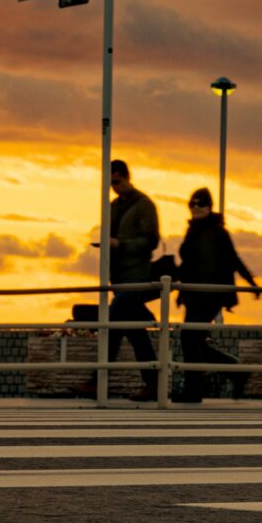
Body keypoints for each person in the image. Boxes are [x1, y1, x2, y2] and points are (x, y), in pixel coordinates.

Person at [172, 187, 257, 402]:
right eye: (192, 204)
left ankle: (195, 390)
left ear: (210, 207)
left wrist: (252, 283)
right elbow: (189, 265)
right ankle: (234, 372)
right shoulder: (193, 231)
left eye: (201, 204)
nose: (196, 208)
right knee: (193, 340)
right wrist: (180, 292)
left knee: (190, 338)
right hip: (194, 294)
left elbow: (233, 259)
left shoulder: (218, 232)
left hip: (210, 295)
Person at [104, 159, 162, 397]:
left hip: (136, 275)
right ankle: (153, 384)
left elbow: (151, 240)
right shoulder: (114, 206)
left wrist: (122, 245)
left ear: (127, 177)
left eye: (116, 181)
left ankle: (97, 378)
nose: (114, 187)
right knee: (136, 332)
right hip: (119, 277)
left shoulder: (144, 205)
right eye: (110, 183)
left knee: (112, 323)